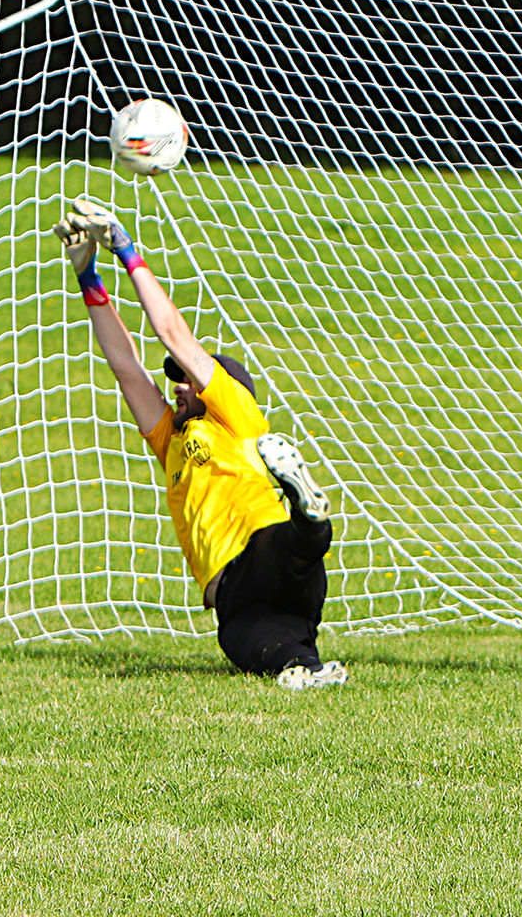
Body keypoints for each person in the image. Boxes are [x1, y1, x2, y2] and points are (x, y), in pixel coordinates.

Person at [52, 197, 348, 689]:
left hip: (259, 546)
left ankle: (308, 520)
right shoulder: (172, 440)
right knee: (247, 642)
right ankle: (307, 667)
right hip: (235, 594)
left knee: (292, 551)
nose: (178, 386)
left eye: (187, 380)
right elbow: (126, 368)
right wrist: (88, 276)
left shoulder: (235, 415)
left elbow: (173, 334)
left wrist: (126, 249)